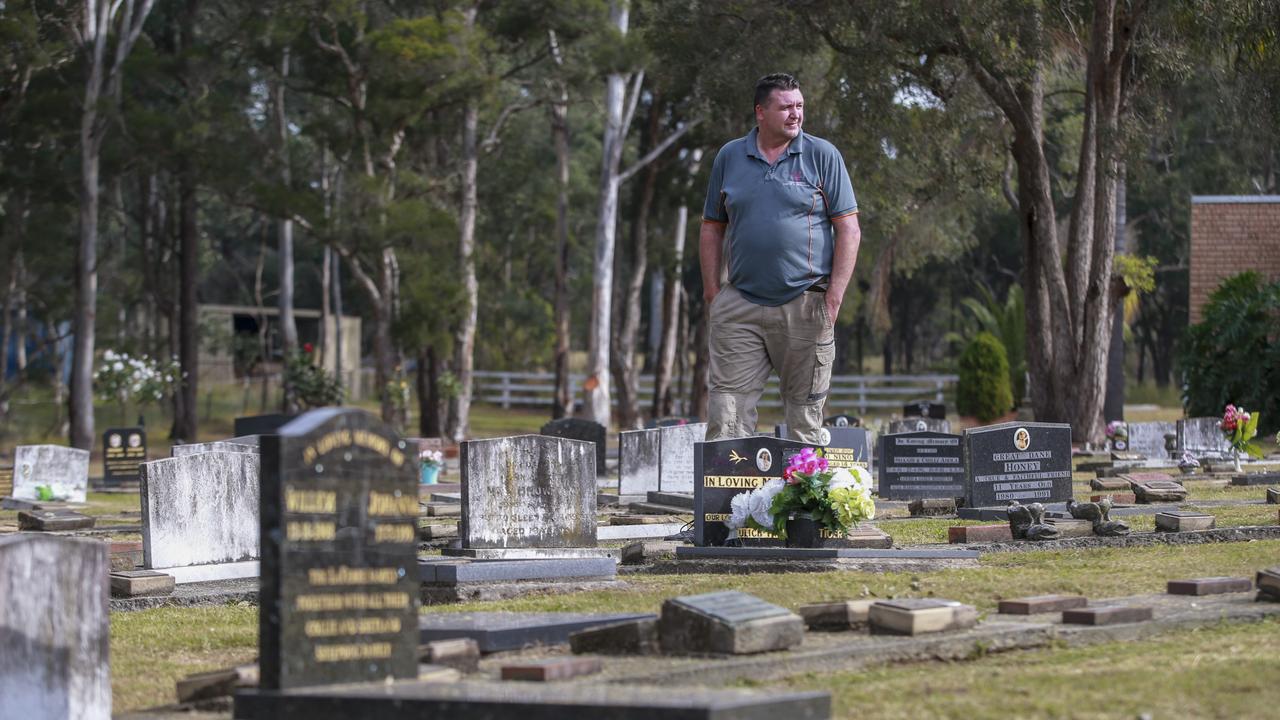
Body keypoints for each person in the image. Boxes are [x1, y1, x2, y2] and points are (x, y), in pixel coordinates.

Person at [699, 73, 862, 444]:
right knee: (727, 413)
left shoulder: (822, 156)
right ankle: (729, 501)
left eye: (800, 106)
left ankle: (804, 501)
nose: (796, 114)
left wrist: (833, 297)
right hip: (740, 304)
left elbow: (849, 230)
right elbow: (711, 226)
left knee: (805, 417)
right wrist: (714, 294)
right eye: (786, 106)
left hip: (805, 301)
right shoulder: (730, 156)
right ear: (760, 112)